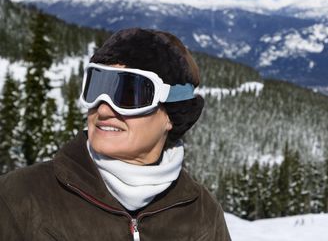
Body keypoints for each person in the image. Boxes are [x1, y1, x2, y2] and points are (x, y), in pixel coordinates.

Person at [0, 28, 231, 240]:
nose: (103, 108)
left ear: (171, 115)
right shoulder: (20, 198)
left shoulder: (202, 214)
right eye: (97, 86)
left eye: (129, 94)